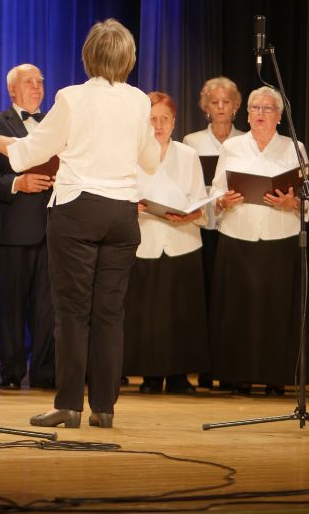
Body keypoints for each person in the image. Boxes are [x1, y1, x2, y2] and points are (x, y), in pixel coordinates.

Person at [0, 19, 159, 429]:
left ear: (89, 56)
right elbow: (150, 161)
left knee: (73, 312)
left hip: (78, 211)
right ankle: (105, 408)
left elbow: (28, 153)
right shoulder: (139, 102)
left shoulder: (72, 98)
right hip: (122, 214)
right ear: (128, 58)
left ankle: (70, 405)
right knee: (110, 313)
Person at [209, 86, 309, 396]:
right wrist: (222, 201)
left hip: (280, 236)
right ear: (247, 114)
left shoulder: (295, 148)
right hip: (238, 235)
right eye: (255, 108)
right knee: (239, 311)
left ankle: (275, 377)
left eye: (267, 109)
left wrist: (292, 203)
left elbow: (307, 198)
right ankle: (238, 376)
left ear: (279, 117)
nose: (260, 114)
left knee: (276, 310)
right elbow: (215, 190)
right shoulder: (233, 147)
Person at [123, 91, 208, 395]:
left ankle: (178, 375)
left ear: (174, 122)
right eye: (152, 119)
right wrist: (130, 208)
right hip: (144, 241)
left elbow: (201, 200)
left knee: (181, 311)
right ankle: (148, 375)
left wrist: (192, 215)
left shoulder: (188, 155)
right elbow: (121, 196)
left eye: (164, 119)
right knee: (145, 312)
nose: (158, 126)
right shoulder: (130, 154)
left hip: (182, 240)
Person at [0, 64, 56, 390]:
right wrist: (17, 184)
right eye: (29, 82)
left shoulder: (56, 124)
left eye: (41, 81)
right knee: (11, 307)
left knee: (47, 310)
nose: (37, 87)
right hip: (12, 231)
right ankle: (11, 373)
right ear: (12, 90)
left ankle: (45, 374)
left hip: (53, 229)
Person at [182, 76, 245, 390]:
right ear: (205, 108)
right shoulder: (193, 142)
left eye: (226, 102)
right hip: (204, 225)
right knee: (206, 298)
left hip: (235, 227)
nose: (221, 108)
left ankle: (231, 364)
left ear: (236, 106)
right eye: (214, 103)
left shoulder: (246, 140)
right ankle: (206, 368)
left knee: (231, 300)